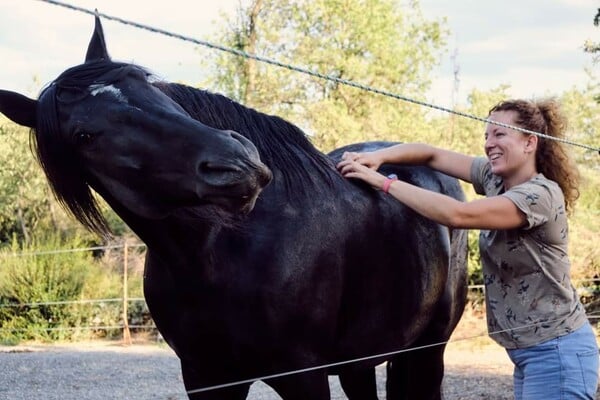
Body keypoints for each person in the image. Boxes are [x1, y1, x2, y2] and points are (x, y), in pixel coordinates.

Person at [336, 98, 599, 399]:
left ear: (530, 143)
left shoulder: (540, 196)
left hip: (557, 353)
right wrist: (376, 156)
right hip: (531, 353)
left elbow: (458, 215)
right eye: (487, 135)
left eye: (500, 134)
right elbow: (431, 155)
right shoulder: (495, 179)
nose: (489, 143)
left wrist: (384, 183)